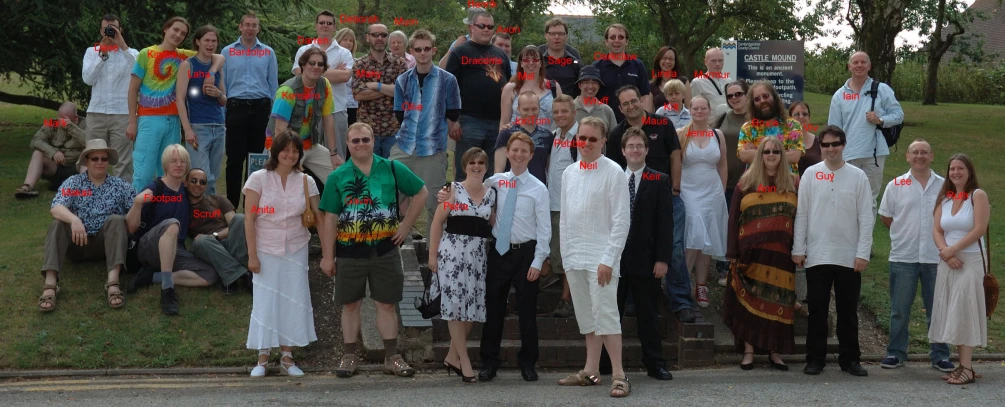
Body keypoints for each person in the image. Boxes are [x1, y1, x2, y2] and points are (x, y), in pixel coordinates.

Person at [319, 123, 429, 379]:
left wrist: (406, 225)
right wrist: (327, 255)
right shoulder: (338, 176)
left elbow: (421, 192)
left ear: (373, 140)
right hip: (349, 250)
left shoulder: (391, 167)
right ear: (347, 144)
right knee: (350, 305)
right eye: (355, 141)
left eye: (365, 139)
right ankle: (349, 356)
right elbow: (329, 218)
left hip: (385, 249)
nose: (361, 144)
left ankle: (392, 357)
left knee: (387, 305)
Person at [606, 84, 693, 323]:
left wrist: (675, 188)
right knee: (633, 245)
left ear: (641, 100)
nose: (631, 106)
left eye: (634, 101)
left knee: (673, 248)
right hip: (632, 200)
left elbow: (675, 155)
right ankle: (635, 300)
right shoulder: (617, 134)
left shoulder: (662, 124)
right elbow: (614, 170)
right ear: (620, 107)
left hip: (666, 197)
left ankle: (681, 301)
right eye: (625, 103)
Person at [558, 117, 631, 397]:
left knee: (606, 316)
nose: (585, 143)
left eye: (591, 139)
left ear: (603, 142)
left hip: (602, 258)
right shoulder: (569, 173)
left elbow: (621, 221)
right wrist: (566, 257)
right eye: (581, 138)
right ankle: (590, 371)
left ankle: (619, 375)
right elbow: (565, 219)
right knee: (587, 318)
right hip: (575, 256)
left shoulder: (614, 172)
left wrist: (609, 259)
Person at [793, 125, 874, 377]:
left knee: (847, 311)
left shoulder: (858, 176)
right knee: (817, 311)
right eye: (825, 145)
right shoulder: (810, 175)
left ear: (843, 144)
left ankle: (850, 359)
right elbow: (802, 213)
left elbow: (866, 217)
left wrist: (863, 253)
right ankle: (815, 359)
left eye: (835, 144)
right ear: (820, 146)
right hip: (817, 254)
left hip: (848, 256)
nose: (830, 149)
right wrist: (799, 248)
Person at [243, 130, 322, 378]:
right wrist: (252, 255)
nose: (290, 154)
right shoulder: (258, 178)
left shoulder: (306, 181)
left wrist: (330, 251)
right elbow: (249, 218)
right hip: (266, 247)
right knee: (266, 301)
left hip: (296, 247)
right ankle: (263, 357)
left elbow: (318, 217)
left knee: (292, 300)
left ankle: (287, 357)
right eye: (285, 149)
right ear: (275, 151)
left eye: (295, 150)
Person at [477, 133, 551, 383]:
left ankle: (528, 362)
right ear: (507, 152)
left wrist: (538, 261)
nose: (519, 155)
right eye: (514, 150)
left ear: (531, 155)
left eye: (524, 151)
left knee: (527, 311)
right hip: (500, 252)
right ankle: (489, 362)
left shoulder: (538, 188)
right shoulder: (495, 181)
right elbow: (472, 195)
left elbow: (544, 229)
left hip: (526, 254)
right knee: (494, 309)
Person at [876, 140, 953, 372]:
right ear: (907, 156)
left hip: (935, 256)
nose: (919, 156)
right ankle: (896, 353)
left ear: (932, 156)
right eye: (915, 152)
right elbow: (886, 218)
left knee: (937, 309)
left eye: (924, 152)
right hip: (903, 256)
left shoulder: (944, 186)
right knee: (899, 310)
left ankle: (940, 355)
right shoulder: (895, 184)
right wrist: (905, 232)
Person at [723, 136, 798, 371]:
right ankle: (749, 351)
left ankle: (775, 351)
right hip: (750, 256)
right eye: (767, 152)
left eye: (776, 151)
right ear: (760, 155)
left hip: (782, 258)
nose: (772, 155)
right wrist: (733, 252)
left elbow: (801, 220)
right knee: (749, 303)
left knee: (778, 303)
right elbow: (733, 219)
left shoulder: (793, 183)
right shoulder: (745, 184)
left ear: (782, 155)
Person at [127, 16, 223, 192]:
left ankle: (165, 211)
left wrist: (212, 72)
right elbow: (133, 89)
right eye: (175, 30)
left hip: (173, 120)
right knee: (144, 172)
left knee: (169, 173)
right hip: (149, 120)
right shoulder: (146, 54)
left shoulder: (183, 55)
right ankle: (138, 214)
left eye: (183, 33)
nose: (178, 35)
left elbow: (218, 57)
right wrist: (132, 122)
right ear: (166, 29)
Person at [38, 139, 135, 312]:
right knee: (58, 223)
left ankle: (113, 282)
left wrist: (143, 203)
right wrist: (74, 220)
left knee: (117, 219)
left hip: (105, 245)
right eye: (94, 158)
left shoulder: (120, 186)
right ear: (86, 161)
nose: (99, 162)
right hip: (76, 243)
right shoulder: (74, 183)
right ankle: (50, 285)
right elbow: (56, 207)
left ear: (108, 162)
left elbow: (134, 214)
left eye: (103, 159)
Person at [428, 148, 497, 383]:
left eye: (481, 162)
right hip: (452, 254)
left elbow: (493, 224)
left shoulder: (491, 194)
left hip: (478, 257)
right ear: (464, 165)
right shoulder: (453, 190)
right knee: (455, 307)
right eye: (471, 162)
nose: (476, 166)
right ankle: (464, 361)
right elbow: (437, 223)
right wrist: (432, 256)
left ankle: (451, 356)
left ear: (486, 167)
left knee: (472, 310)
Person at [126, 145, 218, 315]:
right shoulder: (156, 187)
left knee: (209, 275)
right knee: (172, 224)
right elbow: (131, 227)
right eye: (173, 161)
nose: (178, 165)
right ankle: (167, 289)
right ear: (165, 165)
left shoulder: (186, 189)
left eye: (183, 161)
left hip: (175, 249)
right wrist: (138, 203)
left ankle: (151, 277)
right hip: (148, 247)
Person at [391, 29, 461, 238]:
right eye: (418, 49)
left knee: (435, 203)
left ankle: (434, 257)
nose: (423, 53)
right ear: (412, 51)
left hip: (433, 150)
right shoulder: (402, 80)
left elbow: (454, 111)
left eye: (427, 49)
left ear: (434, 50)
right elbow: (399, 112)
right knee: (388, 195)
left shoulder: (448, 80)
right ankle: (387, 245)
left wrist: (434, 133)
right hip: (404, 146)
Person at [618, 127, 674, 381]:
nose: (635, 150)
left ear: (646, 150)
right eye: (631, 146)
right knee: (611, 314)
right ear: (623, 151)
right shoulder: (613, 178)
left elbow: (666, 223)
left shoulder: (659, 180)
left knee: (648, 315)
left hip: (647, 259)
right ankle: (608, 364)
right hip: (615, 259)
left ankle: (655, 363)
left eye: (640, 146)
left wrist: (663, 259)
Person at [929, 154, 989, 385]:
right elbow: (937, 230)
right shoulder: (945, 198)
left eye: (960, 168)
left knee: (965, 311)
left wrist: (953, 250)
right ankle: (963, 366)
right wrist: (945, 252)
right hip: (948, 260)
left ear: (969, 171)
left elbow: (979, 228)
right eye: (952, 168)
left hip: (970, 261)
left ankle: (966, 367)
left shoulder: (977, 195)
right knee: (953, 311)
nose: (955, 172)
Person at [828, 51, 904, 211]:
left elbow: (898, 115)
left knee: (869, 201)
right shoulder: (839, 95)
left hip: (874, 155)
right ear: (849, 66)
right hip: (847, 155)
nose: (859, 65)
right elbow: (833, 129)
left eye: (863, 62)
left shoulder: (882, 89)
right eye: (855, 62)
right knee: (846, 200)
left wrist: (881, 120)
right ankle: (848, 236)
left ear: (869, 66)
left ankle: (866, 237)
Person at [443, 9, 511, 181]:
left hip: (497, 123)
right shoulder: (460, 52)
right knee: (466, 170)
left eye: (490, 26)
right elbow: (448, 88)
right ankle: (462, 207)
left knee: (492, 173)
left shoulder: (500, 54)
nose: (486, 29)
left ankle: (488, 208)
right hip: (468, 121)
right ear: (472, 27)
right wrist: (453, 120)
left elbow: (509, 87)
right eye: (482, 26)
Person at [222, 12, 278, 208]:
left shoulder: (268, 52)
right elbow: (224, 84)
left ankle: (251, 208)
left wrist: (273, 115)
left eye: (254, 25)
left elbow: (273, 84)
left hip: (260, 109)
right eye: (247, 24)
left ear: (258, 29)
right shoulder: (227, 52)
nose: (250, 28)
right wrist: (224, 113)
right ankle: (230, 207)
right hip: (235, 109)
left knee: (256, 161)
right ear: (240, 26)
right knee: (234, 161)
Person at [678, 96, 728, 308]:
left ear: (709, 110)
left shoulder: (717, 135)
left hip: (713, 192)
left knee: (707, 240)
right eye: (695, 108)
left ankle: (701, 286)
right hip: (688, 190)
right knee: (693, 237)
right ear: (689, 110)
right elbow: (675, 165)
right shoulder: (680, 134)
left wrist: (722, 192)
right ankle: (681, 284)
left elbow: (723, 165)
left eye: (703, 108)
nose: (699, 111)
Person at [267, 48, 343, 184]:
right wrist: (290, 157)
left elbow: (328, 119)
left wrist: (333, 153)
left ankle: (333, 205)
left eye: (320, 64)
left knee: (339, 176)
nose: (316, 67)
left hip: (309, 144)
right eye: (311, 63)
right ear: (303, 65)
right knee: (287, 185)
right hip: (283, 146)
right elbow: (279, 130)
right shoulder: (287, 90)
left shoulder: (324, 85)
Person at [83, 13, 138, 182]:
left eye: (113, 28)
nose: (109, 32)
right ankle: (92, 197)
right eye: (106, 29)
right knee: (93, 158)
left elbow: (139, 72)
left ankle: (122, 201)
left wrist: (122, 45)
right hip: (96, 112)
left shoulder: (133, 53)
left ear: (120, 30)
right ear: (101, 31)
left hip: (122, 114)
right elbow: (88, 79)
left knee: (123, 161)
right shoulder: (92, 52)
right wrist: (103, 55)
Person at [293, 10, 355, 158]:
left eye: (329, 23)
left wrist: (311, 71)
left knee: (336, 156)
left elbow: (346, 76)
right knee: (304, 156)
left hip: (336, 109)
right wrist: (334, 72)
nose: (325, 26)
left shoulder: (344, 52)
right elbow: (298, 74)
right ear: (316, 26)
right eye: (322, 23)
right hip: (308, 109)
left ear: (334, 27)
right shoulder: (304, 50)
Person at [177, 25, 227, 196]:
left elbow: (224, 100)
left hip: (219, 126)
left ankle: (207, 213)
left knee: (214, 176)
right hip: (198, 126)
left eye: (214, 41)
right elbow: (180, 98)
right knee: (202, 176)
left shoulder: (217, 64)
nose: (210, 44)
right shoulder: (188, 65)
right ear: (197, 42)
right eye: (206, 40)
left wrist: (218, 93)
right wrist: (187, 129)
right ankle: (203, 214)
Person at [186, 168, 251, 295]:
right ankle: (244, 274)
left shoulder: (218, 200)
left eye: (202, 182)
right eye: (193, 181)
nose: (198, 184)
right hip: (207, 247)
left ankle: (230, 276)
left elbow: (234, 225)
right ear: (185, 183)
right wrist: (209, 239)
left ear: (205, 186)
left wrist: (215, 236)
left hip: (228, 241)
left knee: (240, 218)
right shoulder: (183, 207)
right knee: (202, 241)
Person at [711, 80, 750, 286]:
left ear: (747, 94)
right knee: (727, 222)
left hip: (751, 182)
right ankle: (725, 267)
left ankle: (746, 266)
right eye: (730, 96)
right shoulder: (723, 117)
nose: (734, 98)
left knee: (746, 224)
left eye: (738, 94)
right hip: (725, 180)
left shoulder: (757, 119)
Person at [545, 95, 579, 317]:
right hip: (550, 205)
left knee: (568, 254)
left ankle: (567, 300)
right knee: (555, 252)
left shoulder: (582, 136)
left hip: (570, 207)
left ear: (574, 112)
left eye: (564, 111)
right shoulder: (553, 136)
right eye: (556, 112)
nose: (559, 116)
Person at [353, 24, 407, 158]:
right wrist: (391, 88)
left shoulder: (399, 63)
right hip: (367, 131)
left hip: (394, 129)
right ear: (367, 38)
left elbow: (404, 92)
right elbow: (358, 94)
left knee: (393, 172)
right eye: (375, 35)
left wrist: (375, 85)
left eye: (383, 35)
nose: (379, 38)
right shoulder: (360, 64)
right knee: (369, 173)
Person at [16, 103, 87, 199]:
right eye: (59, 118)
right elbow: (35, 141)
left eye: (64, 119)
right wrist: (53, 152)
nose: (60, 122)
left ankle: (85, 188)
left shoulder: (85, 124)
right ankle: (27, 187)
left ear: (75, 118)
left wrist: (71, 127)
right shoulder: (52, 123)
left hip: (77, 167)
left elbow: (90, 142)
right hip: (55, 167)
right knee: (37, 153)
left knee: (89, 152)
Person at [737, 81, 804, 174]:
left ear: (774, 97)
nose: (762, 101)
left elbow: (794, 156)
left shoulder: (793, 125)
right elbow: (744, 156)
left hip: (786, 184)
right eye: (757, 99)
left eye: (765, 96)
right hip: (756, 185)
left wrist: (758, 152)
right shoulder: (747, 128)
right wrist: (782, 153)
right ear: (753, 104)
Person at [592, 24, 652, 122]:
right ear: (606, 42)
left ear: (626, 41)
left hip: (633, 123)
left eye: (621, 37)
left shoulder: (638, 65)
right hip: (604, 123)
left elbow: (645, 94)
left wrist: (645, 121)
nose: (616, 40)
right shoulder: (596, 67)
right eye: (612, 37)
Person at [494, 92, 553, 183]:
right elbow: (498, 172)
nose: (530, 113)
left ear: (539, 108)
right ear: (518, 109)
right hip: (511, 189)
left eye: (534, 109)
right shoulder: (506, 134)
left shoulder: (548, 136)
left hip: (538, 191)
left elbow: (549, 169)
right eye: (526, 109)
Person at [500, 46, 563, 131]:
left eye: (535, 59)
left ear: (541, 63)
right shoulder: (510, 88)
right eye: (526, 59)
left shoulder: (554, 87)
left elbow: (562, 117)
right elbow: (504, 123)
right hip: (517, 140)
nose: (531, 62)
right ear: (521, 63)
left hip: (546, 141)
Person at [538, 17, 582, 99]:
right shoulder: (536, 57)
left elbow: (581, 86)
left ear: (566, 36)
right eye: (552, 33)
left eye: (561, 33)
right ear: (546, 35)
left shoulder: (574, 58)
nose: (557, 37)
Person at [573, 66, 617, 133]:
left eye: (594, 82)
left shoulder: (607, 111)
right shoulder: (568, 109)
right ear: (579, 85)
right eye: (586, 82)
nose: (590, 86)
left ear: (599, 86)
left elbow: (614, 140)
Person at [691, 48, 730, 116]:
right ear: (706, 62)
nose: (717, 64)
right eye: (713, 61)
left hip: (728, 124)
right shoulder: (697, 83)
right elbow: (693, 109)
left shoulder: (729, 81)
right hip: (708, 125)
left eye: (720, 60)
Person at [334, 28, 360, 128]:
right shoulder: (331, 60)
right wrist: (335, 71)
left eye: (351, 40)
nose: (348, 43)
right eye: (345, 40)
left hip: (354, 106)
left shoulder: (357, 62)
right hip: (337, 106)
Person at [791, 101, 821, 178]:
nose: (801, 117)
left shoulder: (819, 141)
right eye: (797, 114)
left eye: (804, 114)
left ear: (809, 118)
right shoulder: (783, 142)